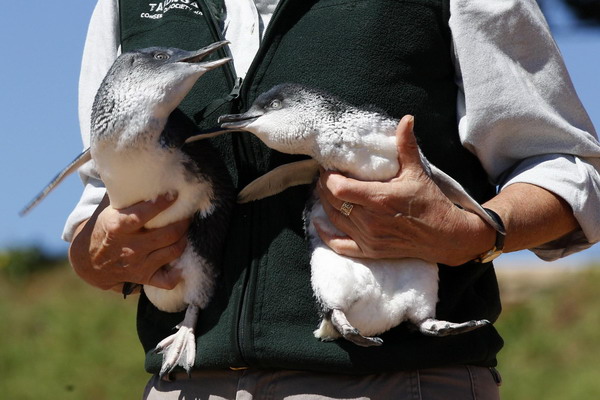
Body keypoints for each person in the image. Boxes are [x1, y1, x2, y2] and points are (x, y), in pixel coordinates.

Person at [65, 0, 600, 398]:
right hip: (182, 385)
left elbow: (566, 166)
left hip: (397, 383)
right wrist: (99, 254)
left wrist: (478, 233)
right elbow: (97, 203)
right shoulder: (122, 5)